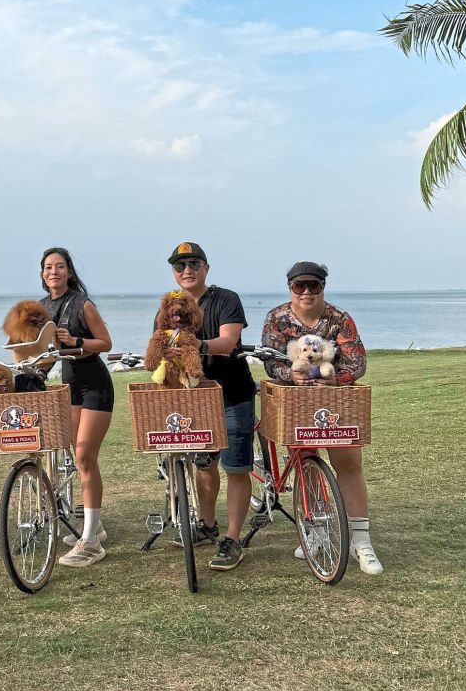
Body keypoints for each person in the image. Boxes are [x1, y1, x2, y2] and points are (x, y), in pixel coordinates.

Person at [260, 261, 383, 576]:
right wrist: (293, 375)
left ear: (323, 287)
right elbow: (271, 362)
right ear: (290, 287)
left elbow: (357, 360)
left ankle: (361, 541)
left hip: (336, 401)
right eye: (299, 286)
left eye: (313, 286)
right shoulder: (277, 318)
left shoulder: (339, 319)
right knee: (305, 462)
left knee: (349, 463)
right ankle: (315, 531)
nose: (306, 292)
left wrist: (337, 378)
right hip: (296, 401)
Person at [164, 241, 256, 572]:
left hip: (233, 393)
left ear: (206, 268)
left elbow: (228, 341)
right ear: (173, 273)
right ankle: (207, 525)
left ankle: (232, 538)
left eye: (193, 264)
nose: (186, 270)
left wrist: (194, 343)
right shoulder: (169, 305)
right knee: (204, 464)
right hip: (195, 398)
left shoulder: (226, 299)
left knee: (236, 467)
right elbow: (161, 342)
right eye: (179, 266)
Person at [40, 247, 114, 569]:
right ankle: (93, 525)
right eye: (47, 267)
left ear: (69, 272)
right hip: (69, 387)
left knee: (84, 455)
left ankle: (92, 543)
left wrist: (76, 343)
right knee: (76, 455)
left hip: (95, 384)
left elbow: (106, 343)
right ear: (42, 274)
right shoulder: (41, 308)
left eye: (59, 266)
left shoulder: (81, 304)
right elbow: (38, 349)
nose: (53, 272)